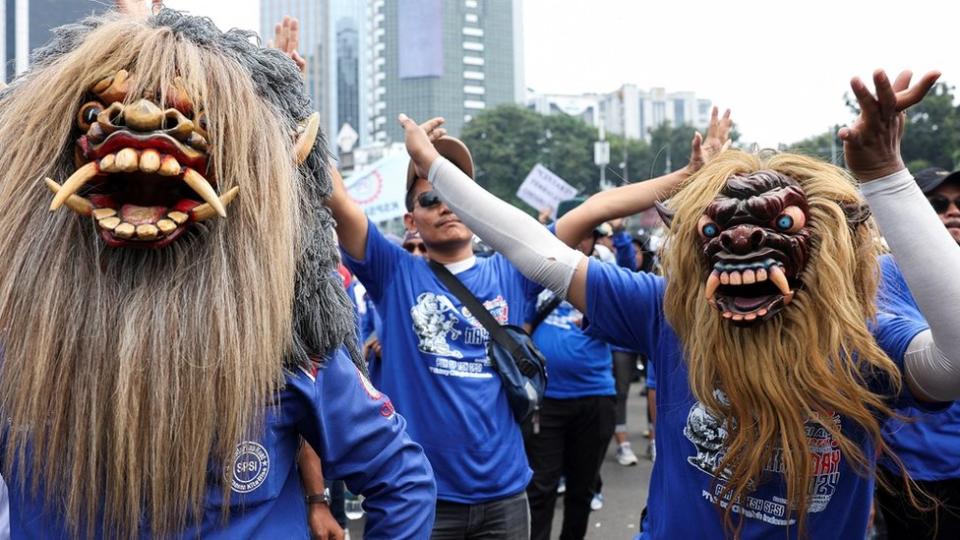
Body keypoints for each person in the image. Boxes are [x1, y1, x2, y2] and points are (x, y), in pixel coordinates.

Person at [401, 69, 960, 538]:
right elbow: (540, 251)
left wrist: (886, 175)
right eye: (720, 228)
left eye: (779, 226)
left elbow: (953, 363)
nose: (741, 242)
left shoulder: (861, 337)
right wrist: (437, 170)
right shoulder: (670, 311)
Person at [0, 8, 436, 538]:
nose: (138, 120)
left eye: (193, 115)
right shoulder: (21, 350)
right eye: (98, 113)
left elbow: (401, 478)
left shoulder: (285, 348)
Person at [327, 127, 539, 538]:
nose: (447, 206)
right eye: (431, 197)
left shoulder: (512, 271)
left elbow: (589, 215)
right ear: (411, 219)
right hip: (418, 499)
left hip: (505, 498)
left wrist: (689, 179)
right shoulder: (395, 272)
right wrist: (287, 90)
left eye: (459, 194)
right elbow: (337, 199)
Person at [874, 167, 960, 539]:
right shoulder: (883, 274)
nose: (953, 212)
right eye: (938, 204)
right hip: (914, 474)